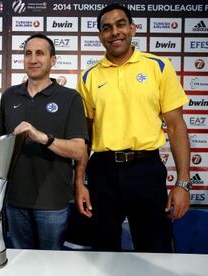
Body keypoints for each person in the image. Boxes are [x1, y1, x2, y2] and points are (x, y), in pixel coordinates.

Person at [76, 3, 191, 252]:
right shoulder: (88, 77)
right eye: (106, 28)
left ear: (132, 28)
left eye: (120, 25)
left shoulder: (158, 67)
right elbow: (83, 138)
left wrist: (182, 183)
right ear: (100, 36)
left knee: (155, 249)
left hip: (146, 169)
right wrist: (80, 182)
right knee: (103, 250)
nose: (114, 32)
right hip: (102, 171)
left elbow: (176, 127)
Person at [0, 34, 89, 250]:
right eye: (28, 53)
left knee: (52, 265)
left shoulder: (70, 98)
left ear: (53, 60)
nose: (33, 59)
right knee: (20, 262)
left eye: (40, 53)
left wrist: (42, 137)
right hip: (14, 200)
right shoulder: (10, 96)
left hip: (53, 202)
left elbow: (78, 150)